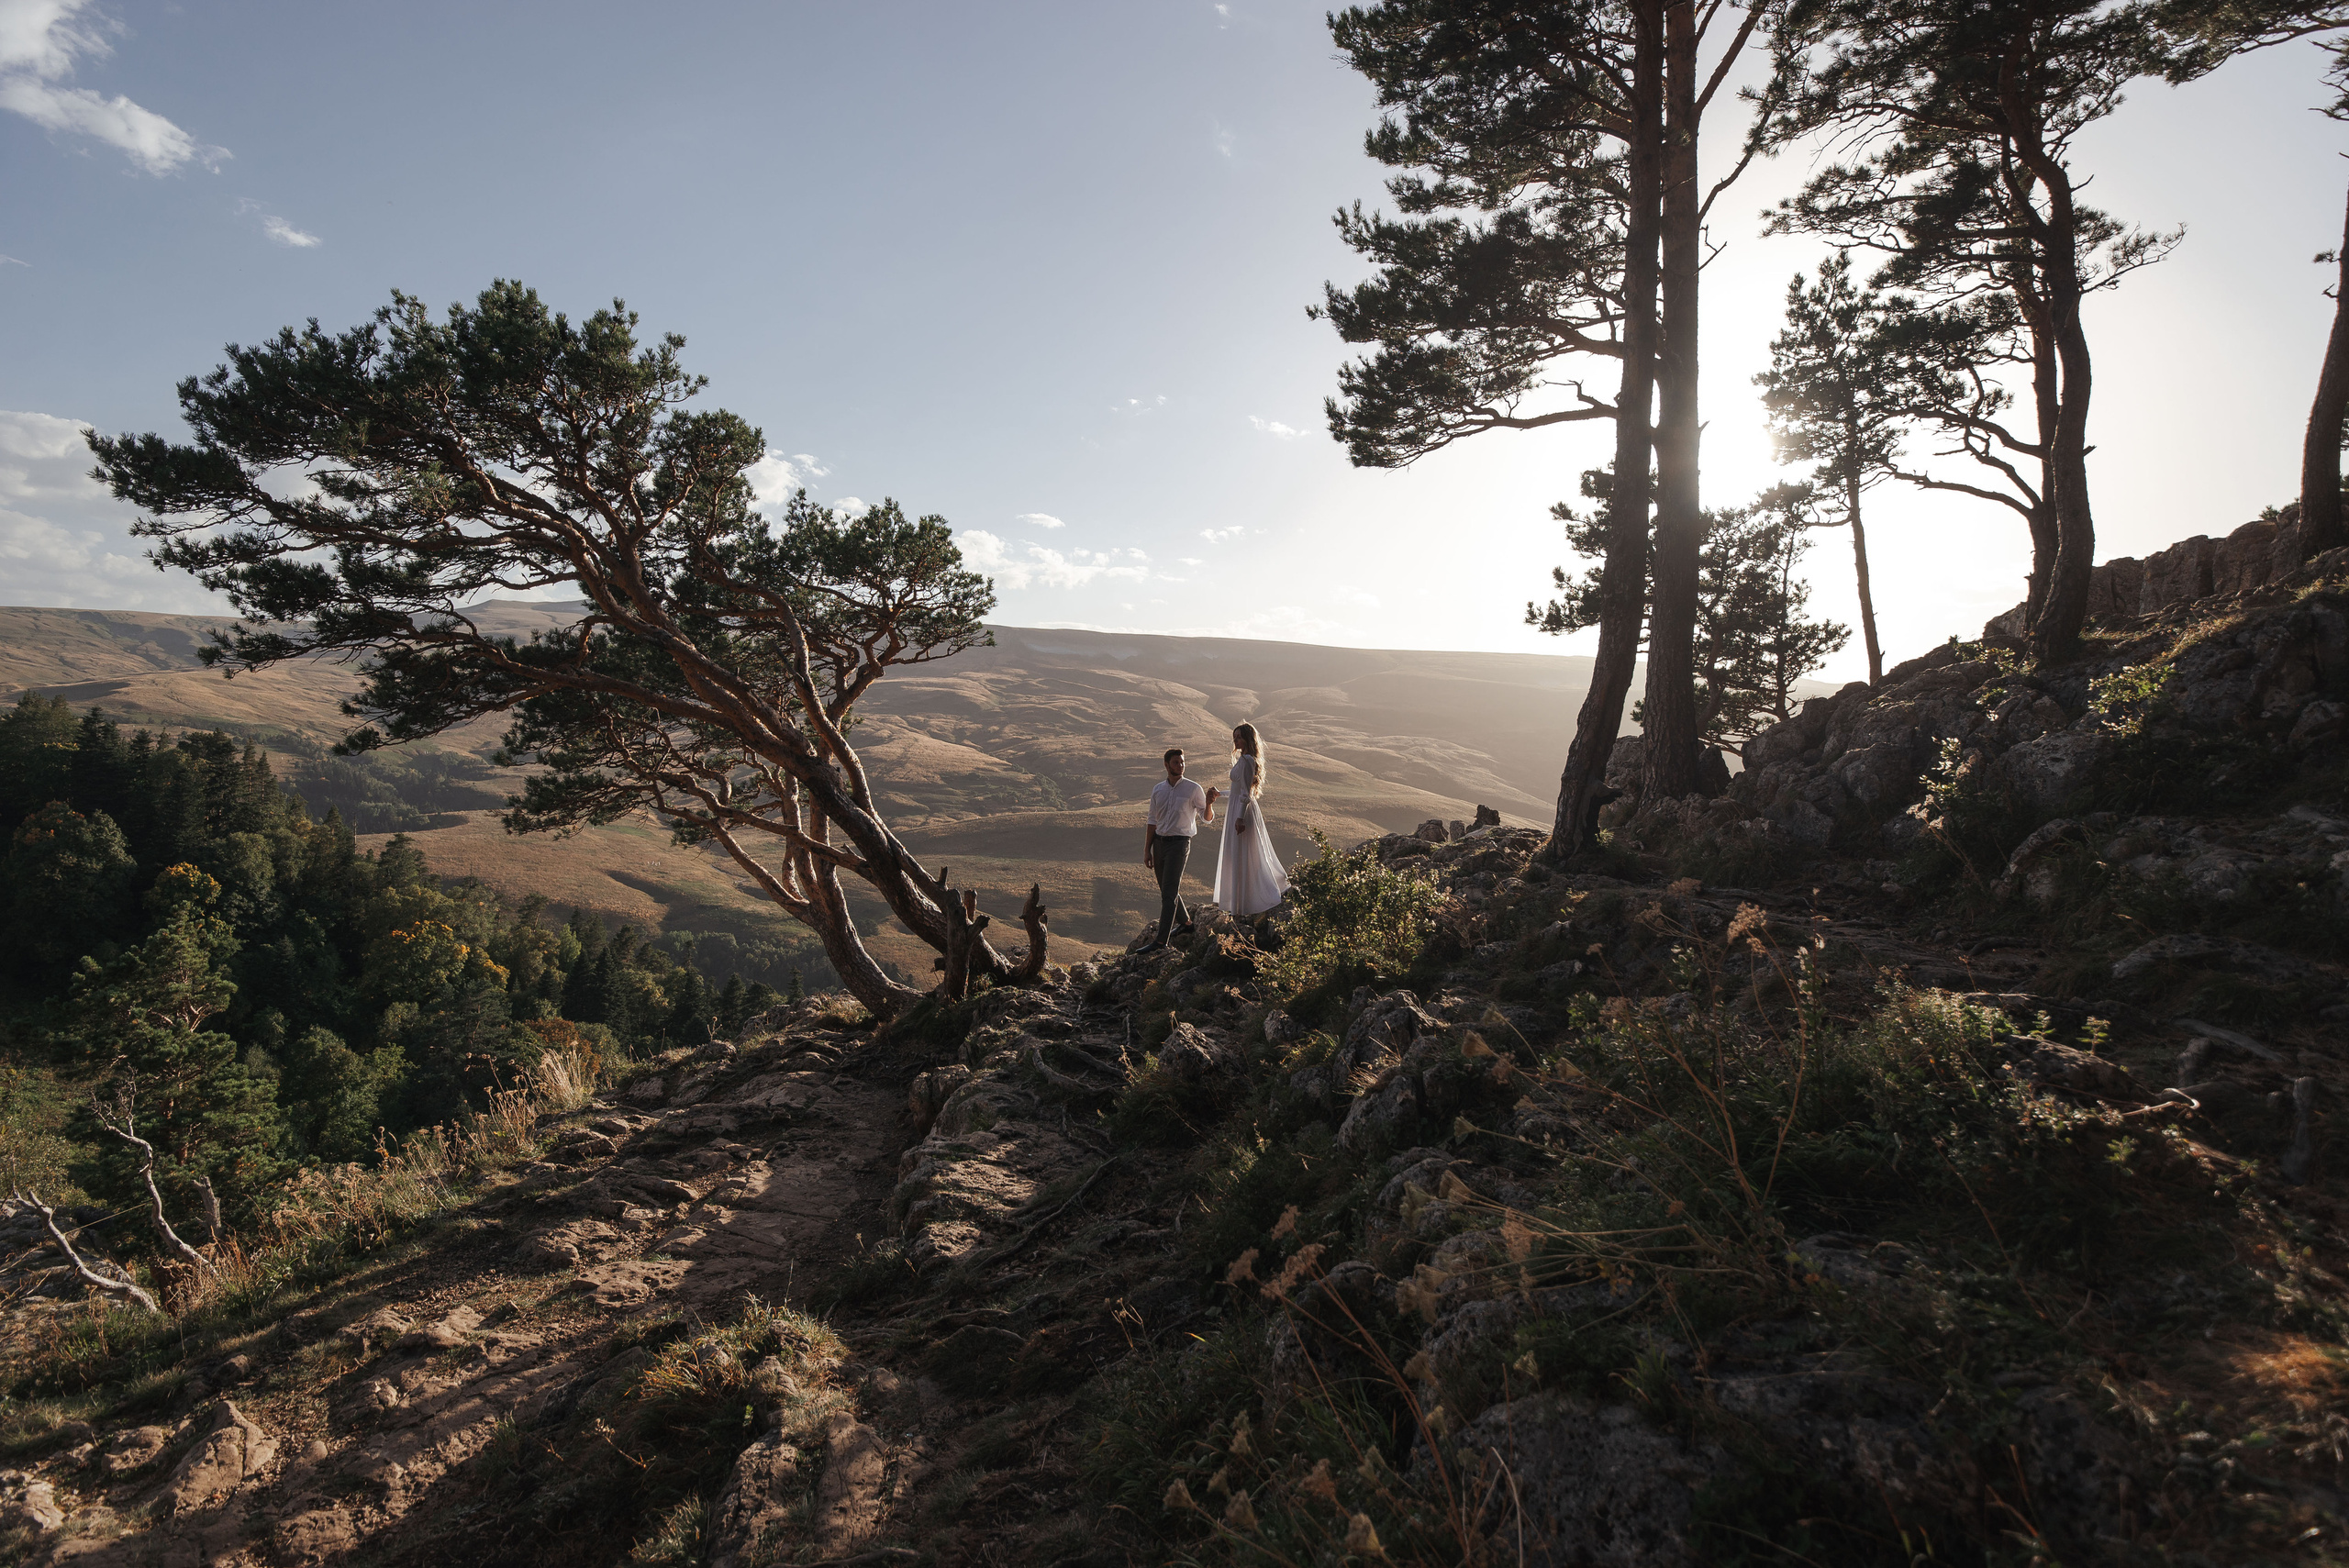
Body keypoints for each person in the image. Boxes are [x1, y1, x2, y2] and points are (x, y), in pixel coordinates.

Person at [1141, 748, 1218, 952]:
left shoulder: (1193, 788)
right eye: (1176, 763)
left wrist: (1209, 804)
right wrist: (1147, 849)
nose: (1181, 766)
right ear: (1166, 765)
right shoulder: (1158, 789)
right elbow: (1151, 820)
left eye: (1183, 762)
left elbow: (1206, 818)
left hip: (1180, 843)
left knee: (1168, 893)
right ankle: (1186, 924)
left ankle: (1160, 942)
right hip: (1159, 843)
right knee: (1167, 889)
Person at [1214, 722, 1290, 917]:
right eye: (1235, 737)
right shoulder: (1243, 759)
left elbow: (1246, 794)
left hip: (1242, 812)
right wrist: (1219, 794)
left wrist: (1239, 818)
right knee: (1239, 854)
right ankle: (1239, 902)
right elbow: (1237, 791)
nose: (1236, 740)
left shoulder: (1247, 761)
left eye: (1239, 736)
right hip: (1237, 808)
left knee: (1244, 854)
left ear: (1248, 738)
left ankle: (1246, 903)